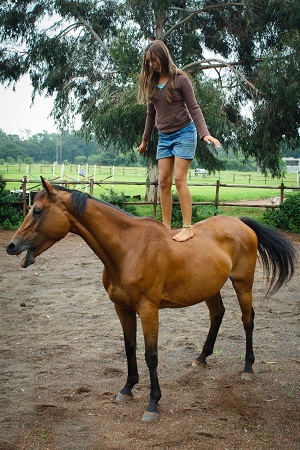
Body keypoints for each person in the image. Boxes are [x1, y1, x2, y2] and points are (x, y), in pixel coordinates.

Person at [138, 40, 220, 242]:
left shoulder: (181, 80)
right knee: (164, 181)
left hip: (184, 133)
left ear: (163, 57)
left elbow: (194, 108)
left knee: (179, 179)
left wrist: (204, 133)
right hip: (164, 137)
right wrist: (145, 140)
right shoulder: (151, 83)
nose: (151, 65)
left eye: (154, 60)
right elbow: (150, 114)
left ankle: (187, 227)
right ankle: (166, 227)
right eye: (148, 62)